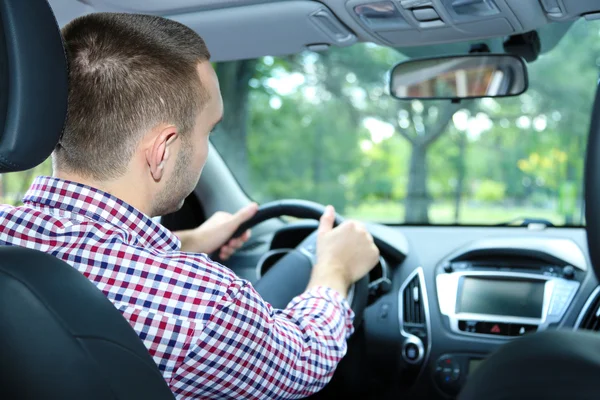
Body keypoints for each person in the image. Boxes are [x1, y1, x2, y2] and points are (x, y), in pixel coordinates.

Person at [0, 12, 380, 399]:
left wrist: (192, 240)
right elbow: (303, 363)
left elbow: (90, 255)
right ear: (161, 151)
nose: (205, 148)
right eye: (207, 131)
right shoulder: (204, 304)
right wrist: (334, 270)